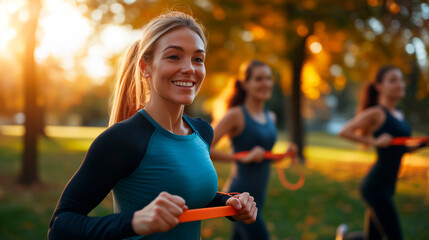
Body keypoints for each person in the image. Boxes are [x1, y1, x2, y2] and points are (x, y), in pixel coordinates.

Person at [48, 11, 258, 240]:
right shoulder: (122, 140)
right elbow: (60, 225)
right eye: (174, 57)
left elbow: (191, 195)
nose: (189, 68)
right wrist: (135, 221)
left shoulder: (202, 131)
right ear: (145, 67)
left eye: (198, 59)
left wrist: (230, 202)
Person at [338, 66, 428, 240]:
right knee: (395, 236)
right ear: (379, 86)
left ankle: (345, 238)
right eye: (393, 80)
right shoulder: (377, 113)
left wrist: (423, 143)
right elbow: (344, 131)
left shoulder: (399, 115)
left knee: (374, 238)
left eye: (401, 80)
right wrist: (375, 142)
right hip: (375, 186)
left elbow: (400, 149)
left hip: (389, 185)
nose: (400, 84)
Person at [210, 60, 296, 240]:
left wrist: (283, 154)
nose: (265, 83)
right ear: (244, 84)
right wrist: (240, 158)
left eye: (268, 78)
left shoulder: (271, 116)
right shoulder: (236, 115)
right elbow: (203, 148)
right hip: (240, 196)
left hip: (259, 196)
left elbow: (263, 155)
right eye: (258, 79)